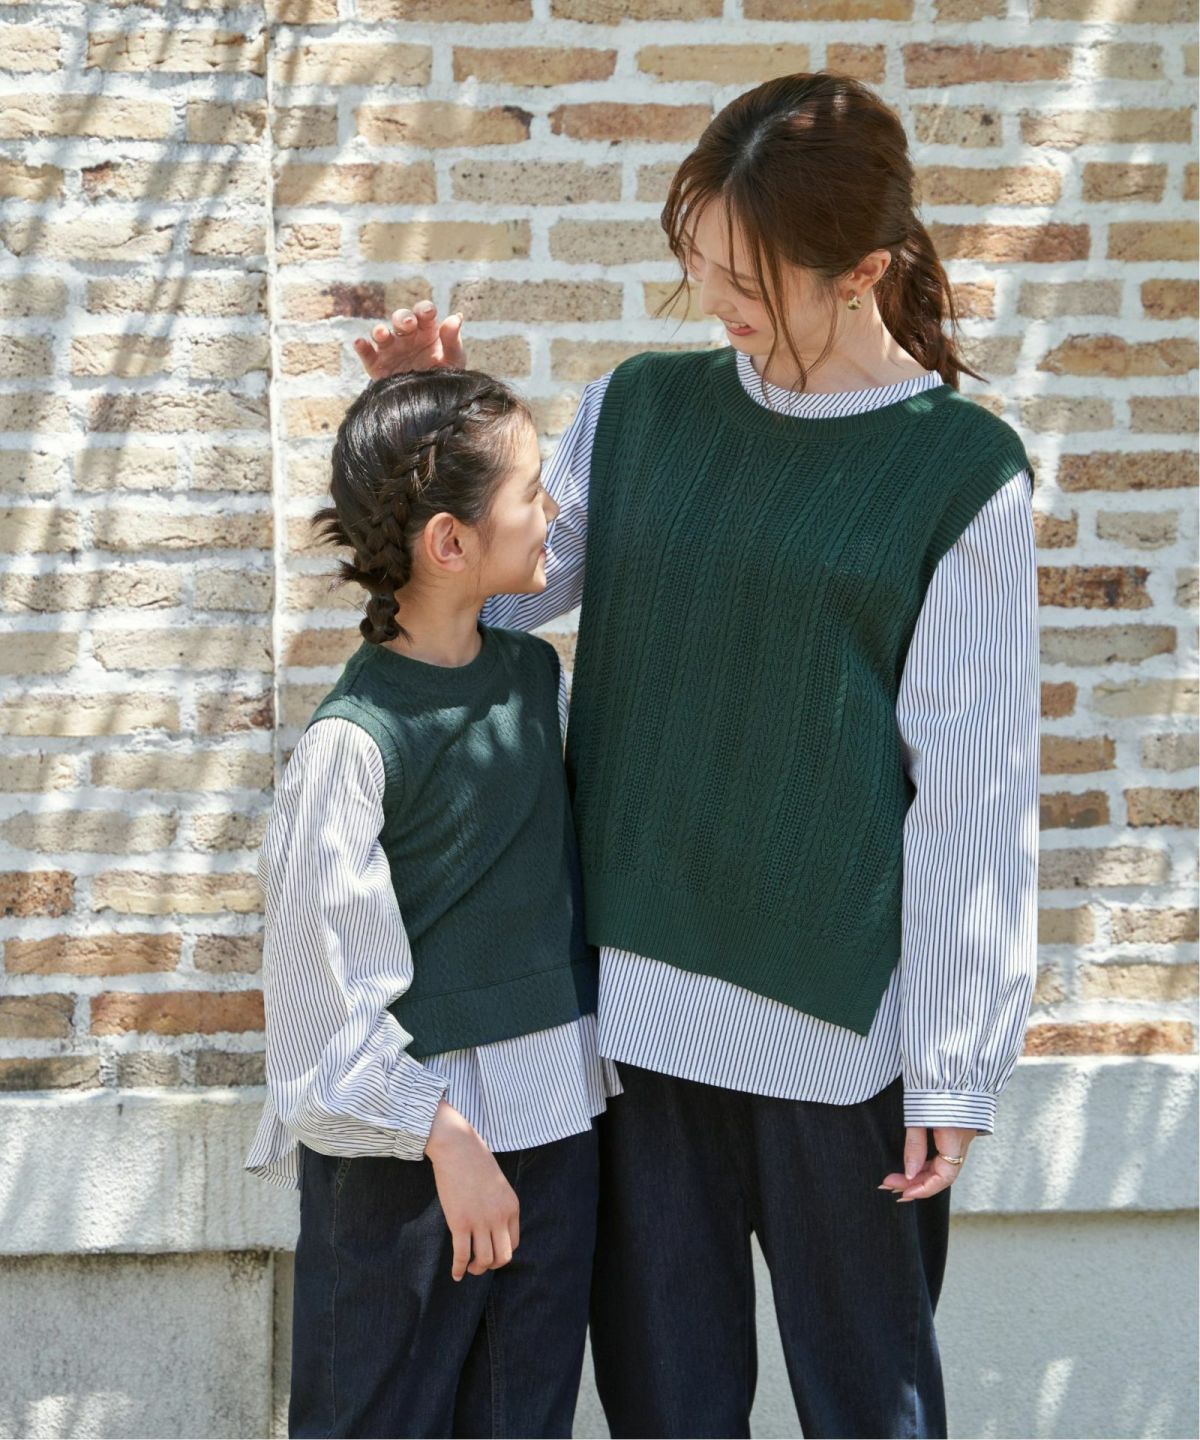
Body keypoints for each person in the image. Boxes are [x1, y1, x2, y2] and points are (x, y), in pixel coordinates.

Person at [355, 72, 1039, 1440]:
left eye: (749, 276)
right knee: (667, 1414)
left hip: (846, 1044)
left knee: (875, 1411)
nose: (715, 297)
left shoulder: (963, 472)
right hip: (634, 1028)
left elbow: (976, 789)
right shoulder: (641, 411)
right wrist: (426, 446)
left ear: (863, 271)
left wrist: (957, 1061)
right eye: (702, 260)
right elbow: (491, 604)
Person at [243, 369, 620, 1439]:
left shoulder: (536, 681)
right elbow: (319, 1026)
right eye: (533, 493)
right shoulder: (351, 746)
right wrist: (445, 1140)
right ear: (450, 543)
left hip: (554, 1137)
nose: (555, 510)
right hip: (405, 1171)